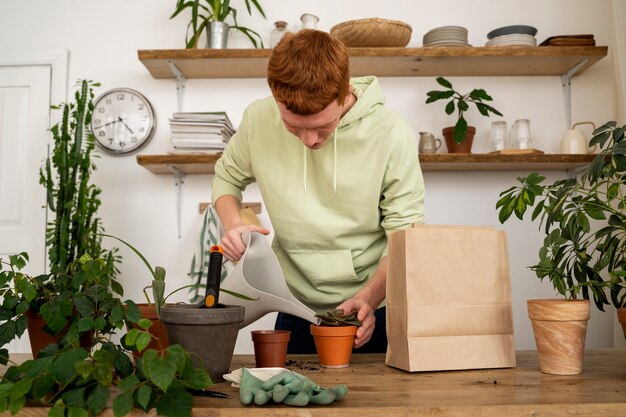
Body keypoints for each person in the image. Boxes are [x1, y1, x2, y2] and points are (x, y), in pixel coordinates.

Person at [212, 29, 424, 353]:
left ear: (345, 93)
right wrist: (233, 223)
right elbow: (226, 179)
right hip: (291, 303)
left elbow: (404, 235)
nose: (309, 141)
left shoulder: (393, 134)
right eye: (293, 126)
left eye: (322, 127)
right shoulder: (257, 119)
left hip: (372, 309)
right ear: (275, 97)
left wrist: (369, 297)